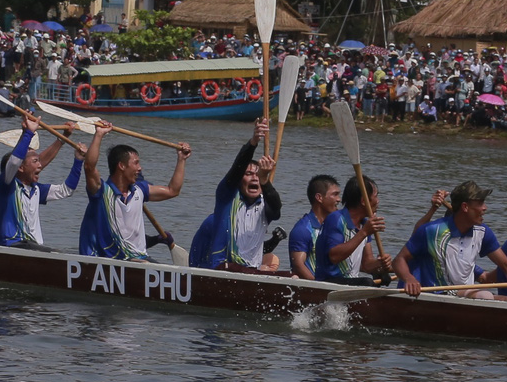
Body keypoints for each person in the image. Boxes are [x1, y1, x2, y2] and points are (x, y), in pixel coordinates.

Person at [395, 179, 507, 298]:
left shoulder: (483, 232)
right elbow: (398, 260)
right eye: (480, 203)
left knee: (505, 299)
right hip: (437, 294)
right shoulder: (432, 231)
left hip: (463, 294)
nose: (485, 208)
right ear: (465, 207)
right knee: (485, 296)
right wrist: (409, 279)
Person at [79, 123, 191, 261]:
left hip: (139, 259)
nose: (140, 168)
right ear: (121, 166)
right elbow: (89, 167)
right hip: (110, 260)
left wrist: (181, 159)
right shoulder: (101, 192)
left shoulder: (140, 190)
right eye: (136, 163)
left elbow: (173, 190)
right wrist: (99, 134)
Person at [187, 117, 283, 271]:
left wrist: (265, 180)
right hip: (223, 268)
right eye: (248, 174)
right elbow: (237, 168)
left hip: (251, 270)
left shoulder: (266, 205)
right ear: (239, 181)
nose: (254, 177)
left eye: (258, 174)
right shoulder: (226, 198)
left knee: (292, 276)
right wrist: (253, 142)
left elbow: (277, 209)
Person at [0, 114, 84, 250]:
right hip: (12, 245)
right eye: (35, 161)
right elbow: (14, 162)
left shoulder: (36, 190)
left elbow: (66, 190)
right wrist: (28, 133)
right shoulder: (5, 186)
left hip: (33, 246)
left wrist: (78, 160)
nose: (40, 166)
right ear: (20, 168)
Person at [316, 174, 388, 284]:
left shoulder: (365, 224)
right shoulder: (336, 219)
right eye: (376, 196)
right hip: (329, 281)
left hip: (350, 282)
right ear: (364, 201)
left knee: (382, 277)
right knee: (366, 283)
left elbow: (366, 264)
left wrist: (380, 264)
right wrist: (364, 233)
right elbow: (334, 256)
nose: (378, 201)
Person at [287, 174, 339, 280]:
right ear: (319, 198)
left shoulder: (336, 226)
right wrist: (318, 286)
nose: (339, 199)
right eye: (335, 194)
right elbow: (298, 265)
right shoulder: (303, 230)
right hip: (314, 288)